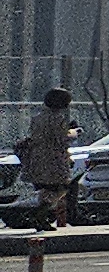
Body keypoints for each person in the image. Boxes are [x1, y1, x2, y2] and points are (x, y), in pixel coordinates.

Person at [16, 85, 79, 228]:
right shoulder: (57, 119)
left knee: (46, 190)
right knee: (60, 188)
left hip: (38, 160)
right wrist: (73, 132)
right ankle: (40, 215)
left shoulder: (38, 118)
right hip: (53, 161)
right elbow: (61, 139)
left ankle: (41, 218)